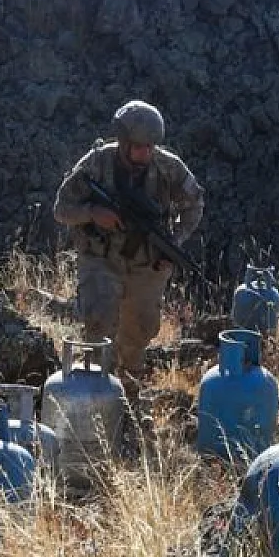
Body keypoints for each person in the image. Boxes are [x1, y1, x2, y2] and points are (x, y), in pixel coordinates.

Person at [53, 100, 205, 382]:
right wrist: (92, 213)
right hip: (100, 258)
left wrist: (174, 243)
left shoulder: (168, 167)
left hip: (148, 262)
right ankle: (96, 387)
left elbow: (194, 205)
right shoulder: (96, 163)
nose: (145, 153)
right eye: (138, 146)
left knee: (142, 327)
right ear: (123, 142)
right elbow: (61, 209)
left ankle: (129, 386)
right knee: (99, 319)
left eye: (150, 147)